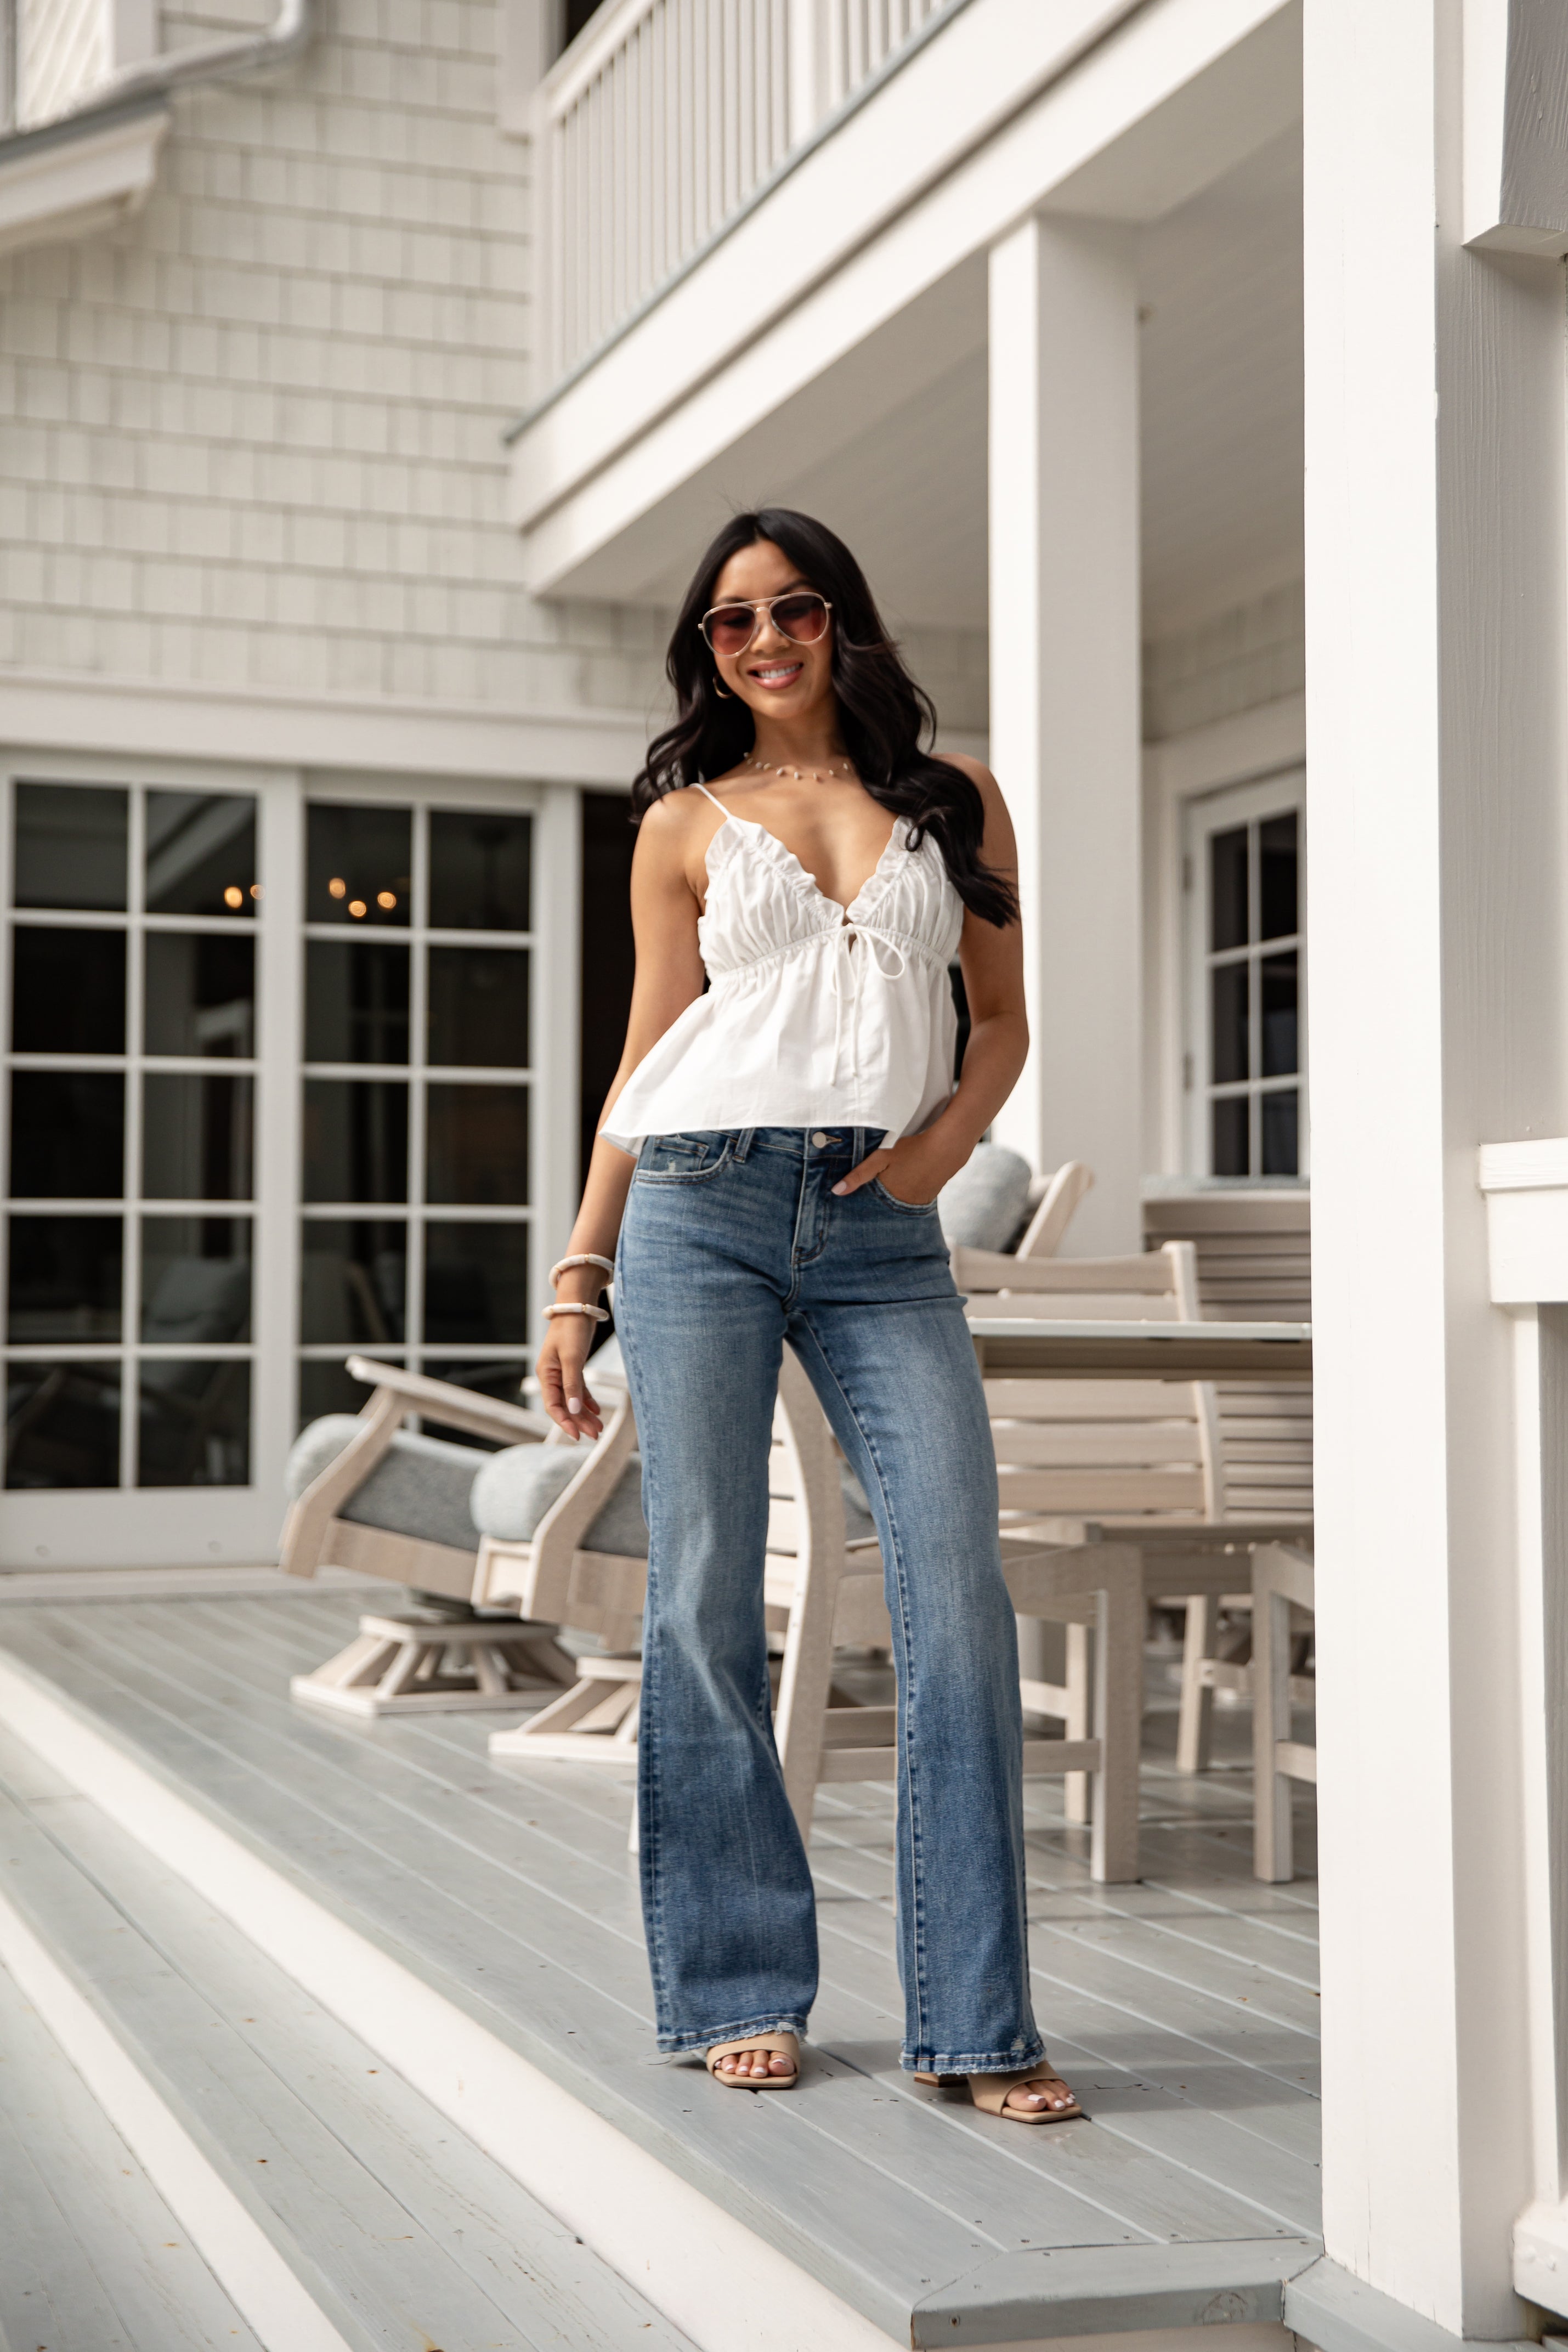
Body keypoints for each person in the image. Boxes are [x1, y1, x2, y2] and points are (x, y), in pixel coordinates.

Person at [536, 508, 1080, 2124]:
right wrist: (578, 1273)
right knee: (703, 1592)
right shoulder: (682, 823)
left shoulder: (950, 797)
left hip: (880, 1226)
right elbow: (645, 1057)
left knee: (953, 1597)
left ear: (842, 618)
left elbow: (998, 1019)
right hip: (697, 1211)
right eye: (728, 622)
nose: (763, 639)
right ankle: (734, 1987)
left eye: (791, 609)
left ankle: (977, 2023)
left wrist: (939, 1152)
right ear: (704, 651)